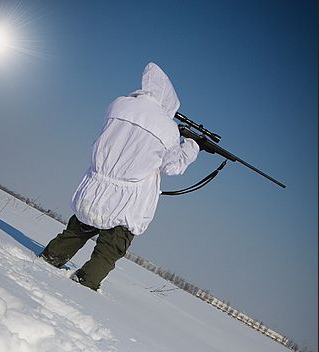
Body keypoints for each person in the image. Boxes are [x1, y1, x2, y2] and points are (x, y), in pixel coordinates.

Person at [40, 62, 200, 291]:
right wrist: (192, 147)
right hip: (127, 202)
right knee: (109, 249)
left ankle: (49, 259)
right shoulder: (167, 128)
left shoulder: (118, 105)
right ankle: (83, 286)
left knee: (75, 231)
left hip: (94, 189)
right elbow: (172, 166)